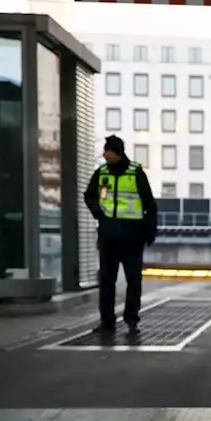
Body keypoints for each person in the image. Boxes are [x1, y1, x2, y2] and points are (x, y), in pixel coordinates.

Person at [83, 135, 158, 339]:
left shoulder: (135, 173)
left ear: (115, 152)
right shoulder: (102, 173)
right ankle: (107, 321)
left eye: (106, 151)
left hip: (132, 235)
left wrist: (149, 232)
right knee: (107, 280)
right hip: (109, 236)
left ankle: (131, 319)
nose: (103, 154)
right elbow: (89, 195)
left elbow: (149, 204)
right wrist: (99, 214)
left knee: (134, 280)